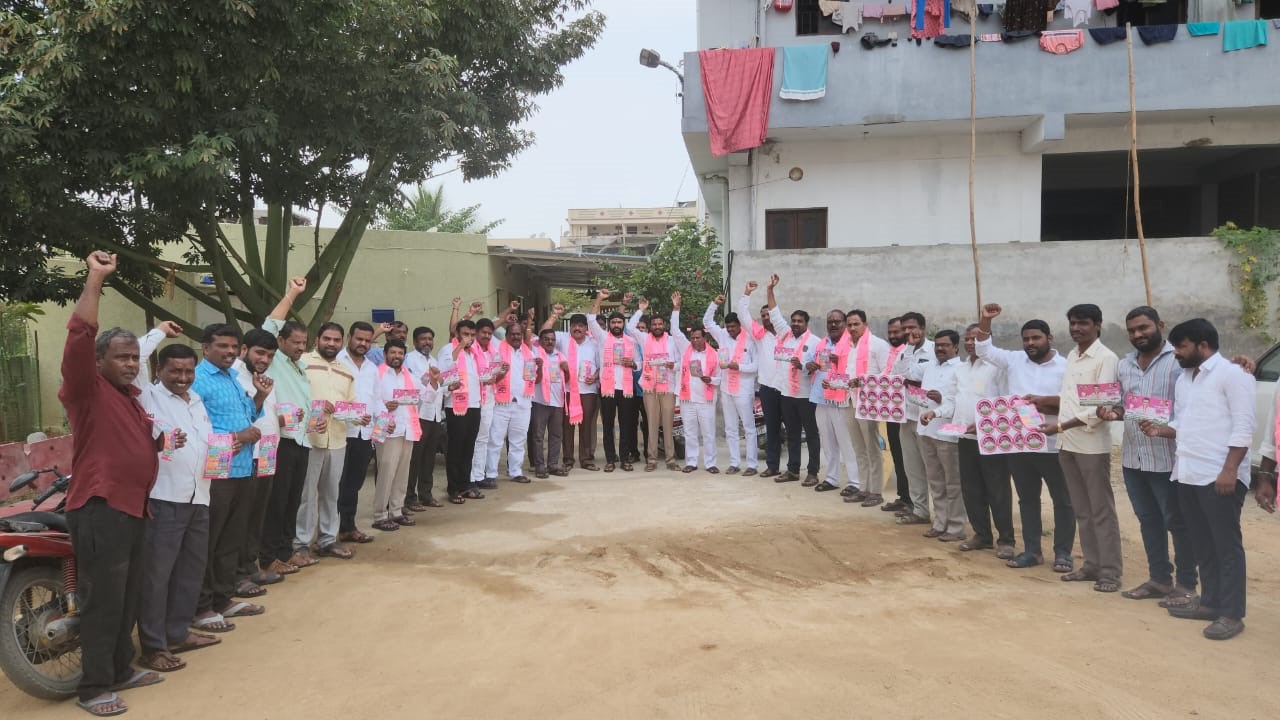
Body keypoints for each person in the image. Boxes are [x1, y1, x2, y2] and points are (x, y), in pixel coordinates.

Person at [59, 251, 166, 715]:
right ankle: (93, 687)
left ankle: (122, 668)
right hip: (100, 507)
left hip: (132, 507)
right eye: (121, 357)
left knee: (127, 596)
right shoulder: (86, 389)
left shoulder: (130, 398)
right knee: (103, 600)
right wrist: (96, 279)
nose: (129, 364)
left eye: (134, 357)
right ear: (99, 361)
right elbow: (79, 336)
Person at [1141, 319, 1253, 641]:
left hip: (1219, 476)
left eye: (1181, 346)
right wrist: (1161, 429)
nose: (1176, 352)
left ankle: (1231, 615)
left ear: (1202, 346)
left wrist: (1230, 470)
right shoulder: (1185, 379)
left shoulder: (1233, 374)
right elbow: (1184, 422)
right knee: (1202, 543)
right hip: (1187, 473)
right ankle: (1211, 603)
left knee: (1226, 547)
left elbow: (1244, 426)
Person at [1096, 307, 1198, 605]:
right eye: (1132, 330)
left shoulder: (1178, 361)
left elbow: (1198, 394)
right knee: (1148, 520)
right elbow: (1124, 407)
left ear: (1159, 325)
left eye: (1143, 328)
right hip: (1133, 458)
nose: (1137, 335)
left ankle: (1186, 585)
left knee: (1176, 523)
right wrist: (1111, 412)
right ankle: (1159, 580)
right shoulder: (1126, 364)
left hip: (1168, 458)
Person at [137, 343, 221, 673]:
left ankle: (177, 632)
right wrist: (159, 332)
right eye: (175, 370)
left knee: (189, 572)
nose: (183, 377)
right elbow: (138, 354)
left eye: (188, 371)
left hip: (199, 496)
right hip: (165, 498)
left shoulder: (196, 400)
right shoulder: (148, 396)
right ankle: (153, 646)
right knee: (158, 576)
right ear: (158, 370)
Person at [974, 303, 1074, 572]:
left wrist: (1046, 402)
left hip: (1055, 444)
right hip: (1019, 445)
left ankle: (1063, 552)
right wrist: (985, 320)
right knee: (1027, 500)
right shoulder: (1014, 360)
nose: (1030, 343)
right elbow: (983, 349)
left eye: (1036, 338)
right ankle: (1032, 551)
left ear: (1049, 339)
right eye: (1026, 339)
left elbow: (1075, 402)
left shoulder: (1066, 367)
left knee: (1063, 500)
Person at [190, 323, 267, 631]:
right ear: (205, 348)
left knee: (231, 538)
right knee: (210, 539)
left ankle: (223, 598)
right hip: (216, 471)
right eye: (222, 346)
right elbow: (196, 426)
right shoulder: (197, 380)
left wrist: (260, 397)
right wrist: (240, 435)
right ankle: (202, 606)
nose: (230, 352)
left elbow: (249, 415)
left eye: (233, 347)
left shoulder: (233, 378)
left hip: (243, 467)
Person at [1039, 304, 1121, 593]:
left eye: (1083, 323)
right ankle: (1091, 565)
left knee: (1101, 510)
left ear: (1097, 324)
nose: (1076, 328)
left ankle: (1110, 572)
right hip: (1067, 443)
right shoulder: (1073, 356)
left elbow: (1101, 408)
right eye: (1072, 323)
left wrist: (1060, 426)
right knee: (1082, 510)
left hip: (1090, 445)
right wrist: (1041, 402)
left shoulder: (1106, 358)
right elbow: (1069, 397)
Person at [259, 278, 316, 577]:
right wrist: (293, 292)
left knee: (292, 500)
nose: (299, 348)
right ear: (280, 341)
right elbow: (270, 323)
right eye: (295, 342)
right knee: (276, 502)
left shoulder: (301, 366)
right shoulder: (275, 360)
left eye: (304, 344)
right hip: (280, 440)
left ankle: (285, 552)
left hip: (301, 440)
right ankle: (267, 558)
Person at [294, 322, 357, 563]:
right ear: (317, 339)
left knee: (331, 493)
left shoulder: (346, 370)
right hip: (309, 438)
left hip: (338, 438)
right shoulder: (302, 363)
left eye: (336, 340)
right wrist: (317, 407)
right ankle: (301, 543)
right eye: (327, 339)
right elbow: (294, 397)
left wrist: (353, 413)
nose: (331, 344)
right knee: (307, 494)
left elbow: (352, 405)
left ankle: (328, 539)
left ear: (342, 342)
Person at [953, 324, 1016, 557]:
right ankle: (982, 534)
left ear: (985, 340)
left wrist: (985, 426)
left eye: (974, 338)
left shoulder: (997, 367)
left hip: (992, 437)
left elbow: (1004, 402)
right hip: (965, 436)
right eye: (967, 339)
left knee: (997, 488)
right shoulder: (960, 368)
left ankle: (1006, 539)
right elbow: (956, 398)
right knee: (971, 488)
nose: (970, 343)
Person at [232, 329, 284, 595]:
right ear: (244, 350)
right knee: (242, 518)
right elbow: (242, 415)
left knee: (256, 516)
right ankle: (237, 573)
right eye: (260, 353)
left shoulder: (265, 378)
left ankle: (250, 566)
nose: (264, 359)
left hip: (267, 453)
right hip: (245, 458)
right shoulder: (235, 377)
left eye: (270, 355)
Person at [765, 276, 821, 484]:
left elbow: (819, 366)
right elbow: (774, 313)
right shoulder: (785, 335)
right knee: (792, 434)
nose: (796, 324)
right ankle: (793, 470)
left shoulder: (815, 342)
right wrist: (770, 289)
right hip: (787, 393)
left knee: (812, 434)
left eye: (800, 321)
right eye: (794, 321)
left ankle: (813, 472)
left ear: (806, 323)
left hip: (806, 395)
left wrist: (804, 366)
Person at [917, 329, 966, 542]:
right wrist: (911, 346)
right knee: (935, 481)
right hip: (925, 430)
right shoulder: (929, 366)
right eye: (937, 345)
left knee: (953, 483)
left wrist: (942, 398)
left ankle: (956, 526)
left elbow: (958, 400)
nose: (940, 349)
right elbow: (906, 371)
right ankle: (940, 522)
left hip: (947, 432)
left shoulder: (961, 369)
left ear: (956, 347)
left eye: (945, 345)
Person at [628, 292, 686, 472]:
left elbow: (681, 362)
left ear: (664, 325)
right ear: (650, 327)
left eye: (660, 324)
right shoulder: (645, 339)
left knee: (668, 424)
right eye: (654, 324)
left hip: (667, 387)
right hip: (649, 387)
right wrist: (640, 310)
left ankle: (670, 459)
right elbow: (630, 327)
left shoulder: (671, 340)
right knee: (651, 424)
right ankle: (651, 459)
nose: (657, 326)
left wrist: (673, 366)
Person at [705, 294, 759, 475]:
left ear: (740, 326)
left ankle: (752, 465)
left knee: (749, 428)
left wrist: (739, 367)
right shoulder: (722, 335)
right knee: (730, 428)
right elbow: (707, 322)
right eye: (728, 327)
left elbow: (756, 366)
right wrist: (714, 304)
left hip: (744, 390)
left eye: (733, 327)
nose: (730, 330)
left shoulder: (751, 339)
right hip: (727, 389)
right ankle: (734, 463)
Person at [336, 322, 379, 545]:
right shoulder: (336, 363)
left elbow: (377, 398)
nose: (362, 344)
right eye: (359, 339)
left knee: (355, 483)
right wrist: (351, 415)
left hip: (364, 433)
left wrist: (382, 423)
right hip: (341, 432)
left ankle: (348, 527)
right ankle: (330, 531)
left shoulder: (372, 368)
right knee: (336, 484)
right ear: (349, 337)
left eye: (367, 340)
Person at [588, 290, 641, 472]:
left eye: (619, 322)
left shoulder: (630, 341)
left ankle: (625, 459)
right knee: (608, 425)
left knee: (626, 425)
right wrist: (599, 299)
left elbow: (639, 364)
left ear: (623, 324)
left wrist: (633, 364)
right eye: (613, 322)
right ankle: (610, 459)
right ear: (609, 324)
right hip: (608, 389)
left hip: (626, 389)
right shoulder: (603, 338)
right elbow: (590, 320)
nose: (616, 324)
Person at [543, 306, 601, 471]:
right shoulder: (562, 338)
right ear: (570, 327)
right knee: (567, 426)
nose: (577, 328)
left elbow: (601, 365)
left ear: (586, 328)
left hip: (588, 390)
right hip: (567, 390)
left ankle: (586, 459)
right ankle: (568, 459)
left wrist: (595, 376)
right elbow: (544, 332)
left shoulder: (594, 343)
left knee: (587, 425)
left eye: (581, 326)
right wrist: (554, 315)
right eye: (574, 325)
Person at [370, 339, 420, 531]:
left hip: (407, 429)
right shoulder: (378, 374)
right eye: (393, 353)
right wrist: (384, 406)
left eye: (400, 353)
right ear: (385, 354)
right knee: (386, 472)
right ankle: (380, 514)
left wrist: (435, 382)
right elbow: (371, 398)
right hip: (387, 429)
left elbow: (422, 393)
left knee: (402, 473)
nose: (396, 356)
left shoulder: (409, 375)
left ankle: (397, 511)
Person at [807, 310, 859, 493]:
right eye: (830, 322)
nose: (833, 325)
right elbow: (818, 365)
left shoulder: (851, 342)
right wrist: (812, 366)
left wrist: (840, 359)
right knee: (828, 443)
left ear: (845, 323)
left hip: (841, 399)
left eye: (837, 321)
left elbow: (855, 366)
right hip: (821, 397)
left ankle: (854, 482)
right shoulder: (823, 342)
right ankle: (831, 478)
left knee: (847, 443)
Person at [844, 309, 892, 506]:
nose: (852, 328)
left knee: (872, 448)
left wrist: (863, 381)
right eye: (850, 325)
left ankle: (876, 491)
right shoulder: (847, 346)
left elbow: (887, 373)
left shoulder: (878, 344)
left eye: (856, 324)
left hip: (869, 403)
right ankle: (863, 488)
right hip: (850, 400)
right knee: (858, 448)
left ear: (865, 324)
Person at [892, 311, 935, 525]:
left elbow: (916, 375)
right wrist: (908, 348)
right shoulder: (904, 351)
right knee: (912, 467)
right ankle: (920, 511)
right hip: (907, 416)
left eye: (912, 328)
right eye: (905, 328)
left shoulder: (935, 349)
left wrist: (908, 376)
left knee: (934, 468)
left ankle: (945, 515)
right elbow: (898, 374)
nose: (908, 332)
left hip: (927, 418)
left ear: (922, 328)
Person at [740, 280, 784, 478]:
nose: (766, 318)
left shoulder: (787, 334)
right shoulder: (759, 335)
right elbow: (743, 316)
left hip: (788, 389)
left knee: (792, 430)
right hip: (767, 389)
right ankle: (772, 466)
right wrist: (747, 293)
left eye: (769, 315)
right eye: (763, 316)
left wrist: (770, 291)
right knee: (772, 430)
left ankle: (794, 469)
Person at [438, 319, 486, 502]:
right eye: (466, 334)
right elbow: (445, 370)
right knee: (456, 447)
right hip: (456, 406)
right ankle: (454, 487)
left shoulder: (475, 353)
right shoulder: (448, 349)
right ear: (457, 333)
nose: (470, 338)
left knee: (469, 447)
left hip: (475, 403)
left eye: (472, 335)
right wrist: (459, 348)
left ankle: (466, 484)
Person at [488, 322, 536, 483]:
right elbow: (492, 325)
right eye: (512, 334)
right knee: (495, 440)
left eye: (518, 334)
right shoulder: (497, 349)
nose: (516, 337)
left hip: (523, 403)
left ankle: (515, 471)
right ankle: (491, 474)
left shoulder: (528, 352)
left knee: (518, 440)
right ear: (506, 335)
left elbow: (532, 377)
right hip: (501, 403)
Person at [404, 326, 445, 509]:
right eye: (423, 339)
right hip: (419, 414)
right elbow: (413, 385)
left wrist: (443, 385)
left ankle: (426, 494)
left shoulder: (435, 360)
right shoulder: (410, 360)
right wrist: (431, 380)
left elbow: (440, 386)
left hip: (435, 414)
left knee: (429, 457)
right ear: (415, 342)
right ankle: (410, 497)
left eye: (430, 339)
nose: (427, 342)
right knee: (415, 458)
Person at [881, 316, 914, 514]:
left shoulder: (911, 352)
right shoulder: (890, 352)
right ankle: (903, 496)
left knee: (909, 458)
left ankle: (912, 501)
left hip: (908, 413)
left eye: (897, 332)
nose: (893, 336)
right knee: (898, 456)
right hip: (892, 411)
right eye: (890, 332)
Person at [676, 326, 721, 473]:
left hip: (706, 401)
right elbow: (675, 331)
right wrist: (676, 309)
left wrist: (711, 379)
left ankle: (710, 463)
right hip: (687, 399)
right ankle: (691, 462)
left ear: (704, 338)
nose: (695, 340)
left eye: (698, 337)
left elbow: (720, 379)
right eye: (693, 338)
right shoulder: (686, 351)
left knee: (708, 433)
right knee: (689, 432)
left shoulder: (714, 354)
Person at [529, 327, 572, 478]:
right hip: (540, 401)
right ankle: (539, 466)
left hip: (557, 402)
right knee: (538, 436)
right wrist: (538, 366)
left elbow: (566, 380)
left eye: (552, 339)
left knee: (556, 435)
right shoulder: (535, 354)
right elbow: (532, 379)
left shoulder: (560, 356)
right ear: (540, 341)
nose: (550, 342)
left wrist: (566, 371)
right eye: (546, 339)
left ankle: (553, 464)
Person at [471, 317, 501, 489]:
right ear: (476, 333)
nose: (487, 336)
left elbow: (494, 373)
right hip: (473, 400)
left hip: (488, 399)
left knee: (483, 438)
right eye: (484, 332)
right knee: (472, 440)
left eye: (490, 333)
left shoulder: (492, 351)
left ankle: (478, 475)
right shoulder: (471, 350)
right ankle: (469, 476)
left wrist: (498, 374)